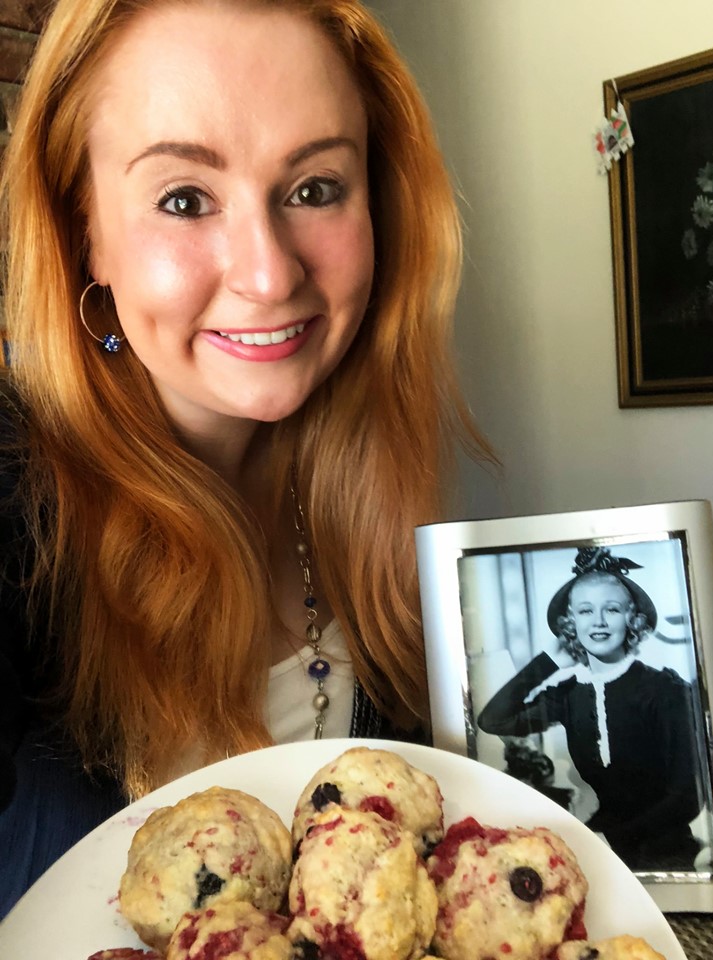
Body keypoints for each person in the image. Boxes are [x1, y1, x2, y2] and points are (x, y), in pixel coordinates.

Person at [0, 0, 492, 917]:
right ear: (83, 231)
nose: (268, 275)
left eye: (314, 188)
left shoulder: (370, 493)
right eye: (184, 199)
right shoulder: (17, 503)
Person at [478, 547, 704, 872]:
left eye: (611, 609)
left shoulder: (664, 691)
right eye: (585, 611)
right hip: (600, 847)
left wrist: (612, 839)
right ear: (571, 622)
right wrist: (549, 661)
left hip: (664, 852)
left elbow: (688, 796)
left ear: (632, 619)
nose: (598, 621)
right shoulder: (569, 693)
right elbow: (493, 720)